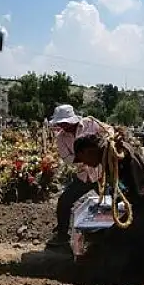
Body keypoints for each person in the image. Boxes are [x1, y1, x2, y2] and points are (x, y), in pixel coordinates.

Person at [73, 134, 144, 278]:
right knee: (137, 237)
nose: (85, 164)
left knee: (117, 235)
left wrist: (119, 147)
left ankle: (116, 276)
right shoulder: (108, 158)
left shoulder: (113, 152)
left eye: (83, 159)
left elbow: (123, 153)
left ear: (87, 151)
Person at [45, 105, 113, 250]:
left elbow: (109, 131)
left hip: (102, 174)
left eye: (64, 122)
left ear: (72, 120)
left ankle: (113, 235)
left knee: (111, 203)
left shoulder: (90, 123)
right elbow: (67, 158)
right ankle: (62, 235)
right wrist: (87, 159)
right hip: (84, 176)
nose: (62, 126)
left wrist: (105, 145)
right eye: (60, 123)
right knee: (64, 202)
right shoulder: (61, 138)